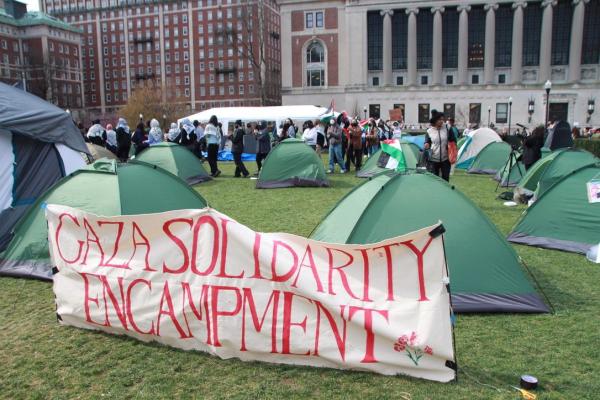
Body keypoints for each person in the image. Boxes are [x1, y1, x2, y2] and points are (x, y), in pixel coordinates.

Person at [424, 110, 456, 182]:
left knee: (445, 180)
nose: (442, 121)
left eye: (442, 119)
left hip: (446, 159)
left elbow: (453, 140)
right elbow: (427, 141)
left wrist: (452, 148)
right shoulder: (429, 131)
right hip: (433, 159)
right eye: (439, 119)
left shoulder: (447, 128)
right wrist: (426, 144)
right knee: (435, 181)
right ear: (435, 120)